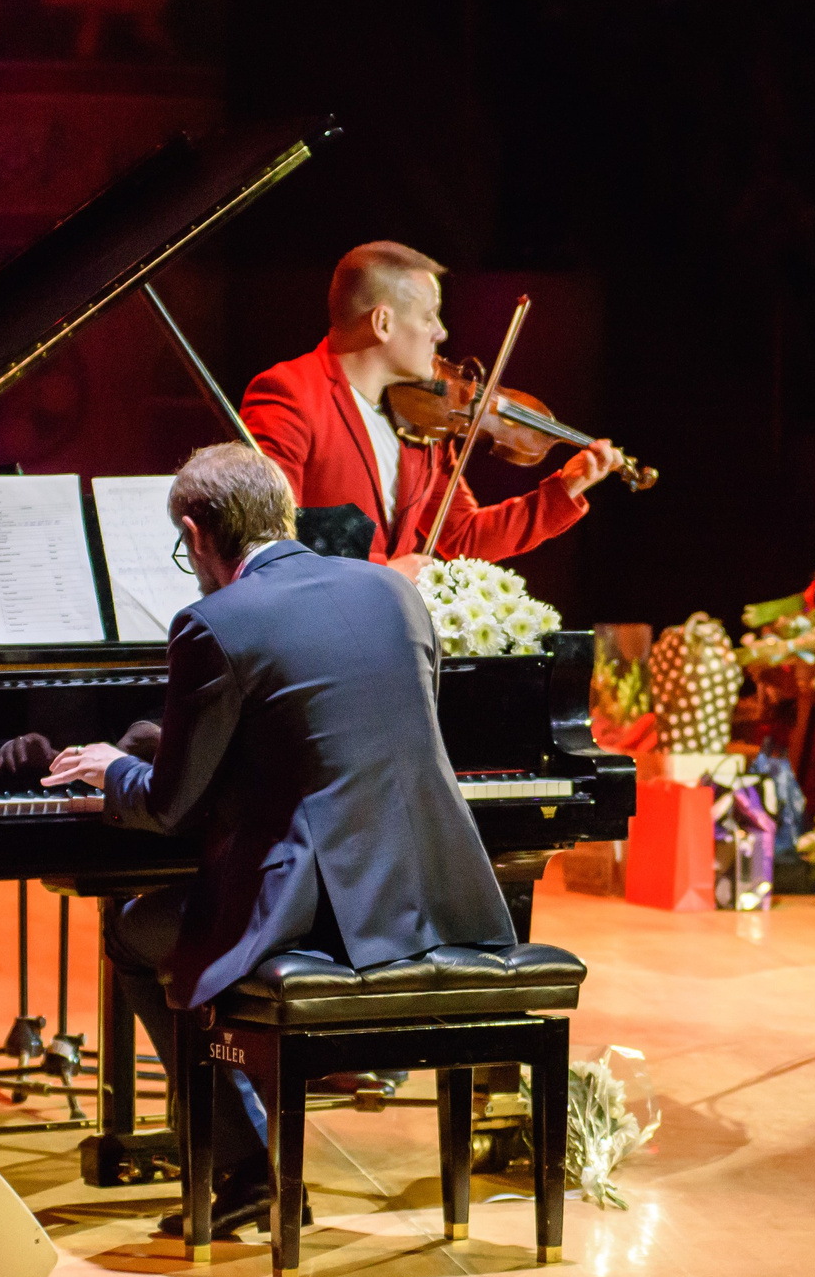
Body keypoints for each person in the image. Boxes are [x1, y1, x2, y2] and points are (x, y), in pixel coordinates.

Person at [42, 442, 516, 1236]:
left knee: (131, 932)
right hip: (428, 891)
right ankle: (240, 1153)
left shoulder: (212, 621)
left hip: (314, 911)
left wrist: (115, 766)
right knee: (179, 916)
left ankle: (245, 1165)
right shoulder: (393, 592)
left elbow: (167, 807)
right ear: (286, 514)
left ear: (197, 535)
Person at [239, 241, 625, 574]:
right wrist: (384, 574)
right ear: (383, 322)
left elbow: (464, 535)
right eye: (428, 317)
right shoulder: (290, 394)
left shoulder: (420, 417)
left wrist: (565, 489)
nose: (441, 332)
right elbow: (267, 539)